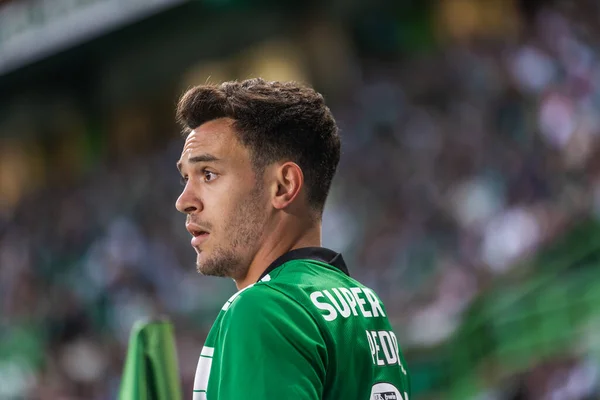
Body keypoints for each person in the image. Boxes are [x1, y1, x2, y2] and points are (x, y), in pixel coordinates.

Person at [175, 78, 411, 400]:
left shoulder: (263, 310)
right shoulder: (364, 302)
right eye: (186, 177)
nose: (184, 200)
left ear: (283, 186)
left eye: (208, 174)